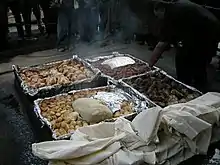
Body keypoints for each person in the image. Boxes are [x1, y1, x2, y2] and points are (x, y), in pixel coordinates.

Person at [148, 0, 220, 91]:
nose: (159, 19)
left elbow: (161, 44)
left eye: (158, 16)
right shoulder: (177, 6)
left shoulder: (172, 15)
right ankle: (199, 85)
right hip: (209, 27)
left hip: (206, 31)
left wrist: (149, 65)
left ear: (162, 10)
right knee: (196, 59)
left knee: (185, 58)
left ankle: (185, 85)